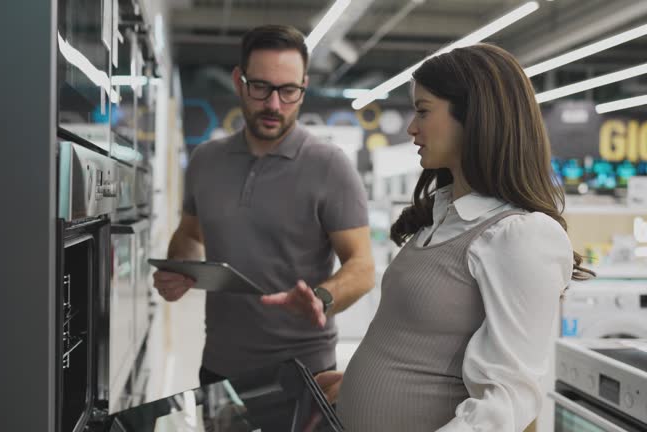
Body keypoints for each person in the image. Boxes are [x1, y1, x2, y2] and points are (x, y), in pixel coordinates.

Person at [316, 43, 594, 432]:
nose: (412, 127)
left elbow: (508, 399)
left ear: (474, 117)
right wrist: (362, 383)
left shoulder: (520, 236)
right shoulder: (444, 214)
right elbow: (422, 346)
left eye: (423, 111)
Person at [153, 25, 375, 386]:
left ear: (303, 87)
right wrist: (181, 271)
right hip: (219, 368)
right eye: (261, 88)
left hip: (303, 373)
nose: (274, 105)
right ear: (240, 80)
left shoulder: (330, 166)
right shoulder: (205, 161)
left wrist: (322, 297)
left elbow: (363, 266)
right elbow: (191, 236)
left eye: (288, 91)